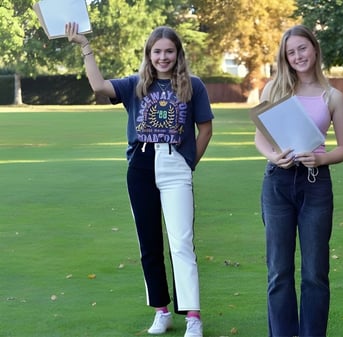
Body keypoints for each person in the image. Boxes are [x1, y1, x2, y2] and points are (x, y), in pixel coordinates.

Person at [65, 23, 213, 337]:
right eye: (157, 51)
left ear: (177, 53)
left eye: (169, 51)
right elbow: (100, 88)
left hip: (176, 166)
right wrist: (84, 47)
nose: (163, 57)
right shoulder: (135, 84)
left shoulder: (193, 85)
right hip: (141, 167)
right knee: (149, 244)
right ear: (148, 54)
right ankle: (161, 311)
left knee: (182, 243)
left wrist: (189, 163)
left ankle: (192, 317)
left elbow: (205, 129)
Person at [254, 25, 343, 337]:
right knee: (279, 271)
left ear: (314, 49)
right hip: (278, 183)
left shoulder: (332, 96)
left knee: (315, 273)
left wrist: (321, 158)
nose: (297, 56)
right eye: (291, 52)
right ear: (285, 57)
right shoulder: (275, 90)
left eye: (302, 49)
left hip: (316, 184)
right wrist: (273, 157)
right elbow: (260, 139)